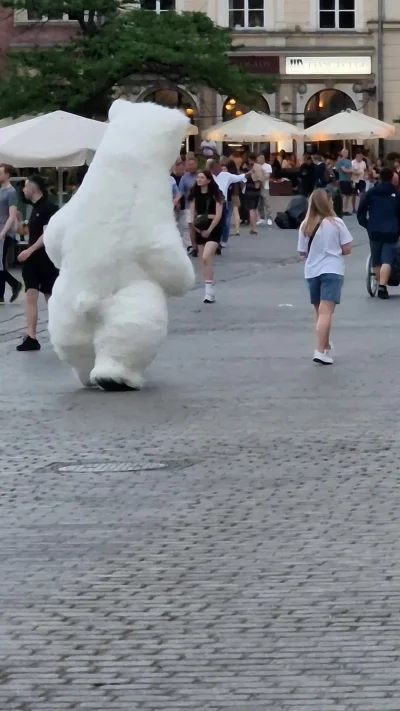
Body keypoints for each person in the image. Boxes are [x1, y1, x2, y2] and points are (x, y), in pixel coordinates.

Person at [298, 189, 352, 365]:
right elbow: (347, 249)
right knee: (327, 311)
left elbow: (302, 252)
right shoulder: (337, 223)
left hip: (312, 270)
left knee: (319, 311)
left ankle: (325, 345)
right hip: (332, 269)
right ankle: (320, 350)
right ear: (327, 202)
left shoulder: (306, 224)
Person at [16, 174, 59, 351]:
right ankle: (31, 337)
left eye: (25, 186)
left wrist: (29, 250)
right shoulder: (34, 209)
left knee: (52, 299)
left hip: (46, 260)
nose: (24, 190)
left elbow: (47, 234)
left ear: (33, 187)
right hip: (33, 262)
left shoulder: (50, 208)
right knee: (31, 295)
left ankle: (61, 333)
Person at [357, 167, 400, 300]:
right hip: (391, 231)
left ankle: (379, 283)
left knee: (376, 259)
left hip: (374, 230)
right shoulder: (396, 194)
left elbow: (361, 210)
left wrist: (366, 224)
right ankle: (382, 286)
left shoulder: (371, 192)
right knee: (387, 259)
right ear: (392, 178)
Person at [188, 170, 224, 304]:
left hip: (214, 228)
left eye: (202, 177)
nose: (199, 179)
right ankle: (209, 290)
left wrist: (209, 229)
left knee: (206, 256)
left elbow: (218, 215)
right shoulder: (194, 195)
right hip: (199, 227)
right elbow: (191, 216)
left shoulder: (216, 194)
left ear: (209, 180)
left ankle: (209, 289)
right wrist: (197, 228)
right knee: (204, 261)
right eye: (198, 177)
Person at [0, 164, 23, 305]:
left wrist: (4, 232)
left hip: (5, 232)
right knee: (0, 263)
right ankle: (14, 285)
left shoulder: (11, 192)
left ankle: (2, 294)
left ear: (8, 174)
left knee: (0, 263)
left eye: (1, 172)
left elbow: (12, 215)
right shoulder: (1, 190)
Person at [175, 155, 198, 256]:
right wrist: (175, 201)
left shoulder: (201, 175)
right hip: (190, 205)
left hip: (202, 205)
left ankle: (201, 244)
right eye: (189, 165)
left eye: (193, 164)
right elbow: (180, 191)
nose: (192, 166)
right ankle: (193, 247)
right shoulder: (185, 178)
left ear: (196, 164)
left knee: (201, 225)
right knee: (191, 225)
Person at [241, 154, 264, 234]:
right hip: (256, 189)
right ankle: (253, 227)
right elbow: (262, 178)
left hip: (248, 189)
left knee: (251, 209)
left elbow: (243, 177)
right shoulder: (258, 167)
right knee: (254, 208)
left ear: (249, 159)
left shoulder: (246, 167)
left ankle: (253, 228)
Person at [256, 154, 273, 227]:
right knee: (259, 203)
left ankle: (269, 217)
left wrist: (259, 178)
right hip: (257, 187)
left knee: (267, 202)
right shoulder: (256, 166)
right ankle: (262, 218)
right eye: (259, 158)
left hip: (265, 186)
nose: (260, 159)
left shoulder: (267, 166)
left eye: (262, 158)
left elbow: (267, 176)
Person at [335, 149, 353, 215]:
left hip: (348, 180)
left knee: (348, 195)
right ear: (342, 153)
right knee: (344, 195)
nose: (346, 153)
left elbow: (350, 170)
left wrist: (351, 175)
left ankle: (346, 209)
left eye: (347, 152)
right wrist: (351, 170)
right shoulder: (340, 161)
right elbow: (344, 170)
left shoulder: (349, 161)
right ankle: (342, 209)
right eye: (345, 152)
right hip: (343, 179)